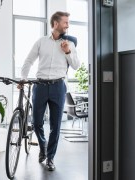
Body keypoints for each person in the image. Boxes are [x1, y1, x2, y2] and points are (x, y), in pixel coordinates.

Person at [19, 11, 80, 171]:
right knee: (37, 122)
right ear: (55, 24)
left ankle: (50, 158)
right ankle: (43, 145)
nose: (68, 25)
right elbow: (28, 61)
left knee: (56, 125)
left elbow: (76, 65)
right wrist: (23, 78)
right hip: (40, 86)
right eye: (65, 22)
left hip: (58, 87)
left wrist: (67, 52)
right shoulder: (41, 42)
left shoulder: (70, 44)